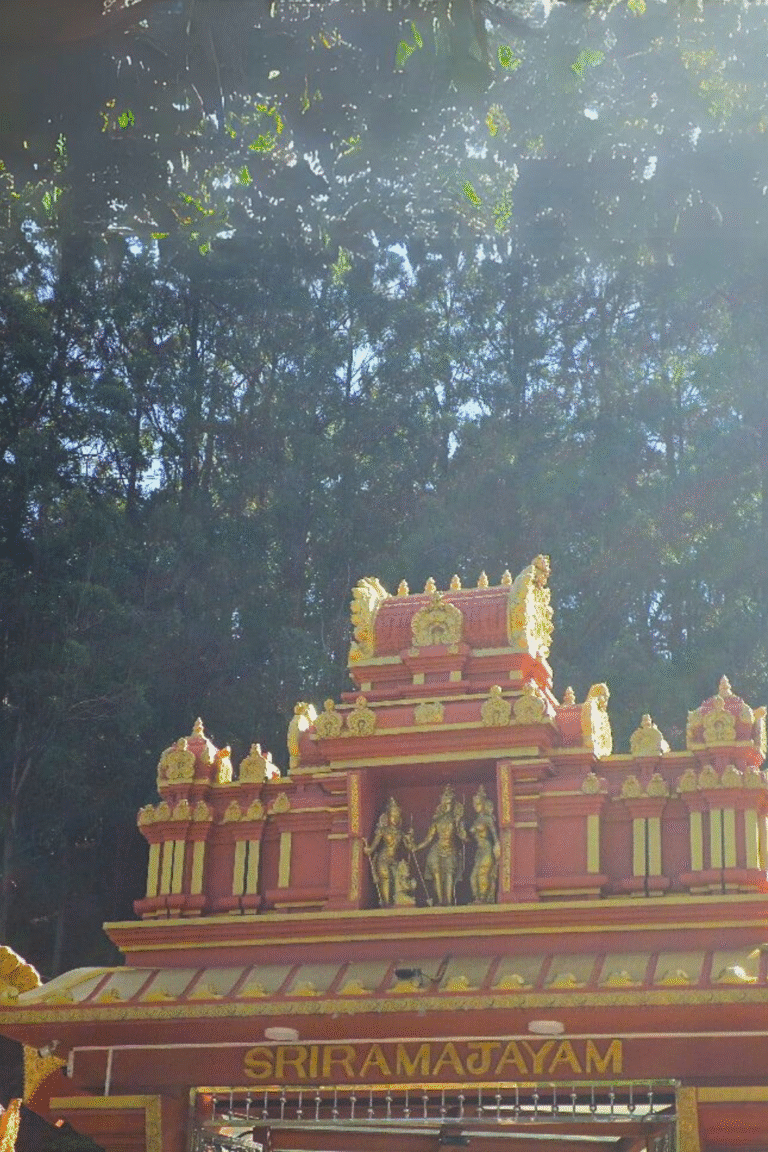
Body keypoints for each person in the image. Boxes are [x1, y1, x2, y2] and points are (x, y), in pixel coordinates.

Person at [414, 785, 467, 905]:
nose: (447, 805)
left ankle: (448, 902)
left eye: (450, 802)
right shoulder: (437, 819)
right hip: (437, 849)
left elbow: (464, 837)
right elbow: (428, 838)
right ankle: (440, 901)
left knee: (449, 875)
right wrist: (416, 847)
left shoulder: (456, 819)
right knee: (437, 874)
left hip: (451, 848)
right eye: (445, 800)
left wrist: (460, 824)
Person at [363, 797, 414, 906]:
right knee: (385, 879)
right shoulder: (382, 830)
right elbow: (374, 846)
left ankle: (395, 901)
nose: (395, 819)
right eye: (392, 816)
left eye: (397, 816)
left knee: (396, 881)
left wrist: (410, 839)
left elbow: (409, 847)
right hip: (383, 858)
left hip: (394, 860)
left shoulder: (400, 833)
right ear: (387, 817)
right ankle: (386, 903)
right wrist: (369, 849)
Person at [469, 785, 500, 903]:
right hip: (479, 851)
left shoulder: (487, 819)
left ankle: (483, 898)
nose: (475, 806)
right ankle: (476, 898)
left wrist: (497, 845)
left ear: (483, 803)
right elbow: (469, 837)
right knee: (473, 877)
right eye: (474, 804)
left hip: (487, 849)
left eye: (478, 803)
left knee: (483, 874)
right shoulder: (476, 820)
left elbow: (494, 833)